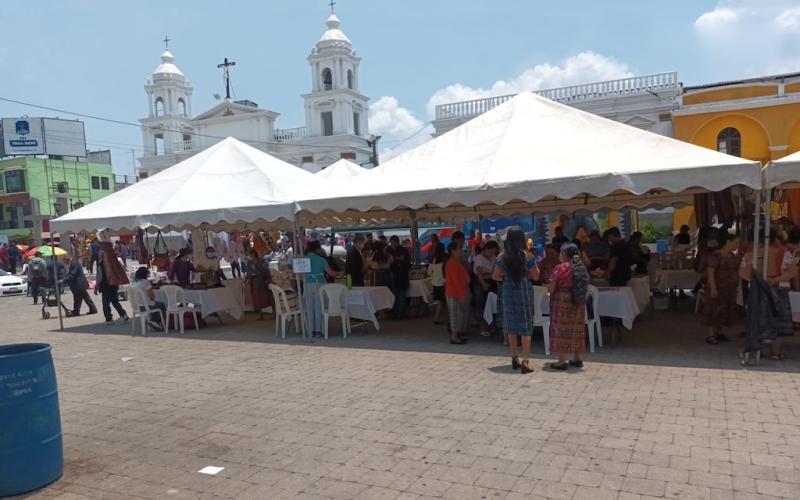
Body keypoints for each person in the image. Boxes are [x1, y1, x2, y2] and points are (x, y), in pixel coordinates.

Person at [491, 229, 540, 373]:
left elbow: (495, 276)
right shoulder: (528, 256)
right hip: (524, 290)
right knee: (525, 326)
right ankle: (526, 360)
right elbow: (536, 276)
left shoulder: (501, 257)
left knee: (510, 324)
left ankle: (514, 358)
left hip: (507, 291)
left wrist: (506, 279)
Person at [547, 243, 590, 370]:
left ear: (564, 254)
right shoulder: (581, 268)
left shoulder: (560, 268)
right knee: (576, 329)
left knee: (561, 329)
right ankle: (577, 358)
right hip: (578, 301)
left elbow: (552, 287)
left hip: (562, 301)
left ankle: (561, 361)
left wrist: (549, 291)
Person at [705, 232, 742, 344]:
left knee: (725, 310)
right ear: (728, 242)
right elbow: (710, 272)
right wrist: (713, 288)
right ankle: (711, 334)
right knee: (714, 309)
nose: (737, 246)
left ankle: (719, 332)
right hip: (718, 286)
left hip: (729, 288)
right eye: (736, 243)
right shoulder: (716, 255)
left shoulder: (733, 256)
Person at [305, 241, 341, 338]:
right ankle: (318, 331)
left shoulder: (304, 259)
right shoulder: (321, 260)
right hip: (319, 285)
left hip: (307, 285)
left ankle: (311, 330)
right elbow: (331, 273)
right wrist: (340, 273)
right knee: (319, 307)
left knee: (310, 308)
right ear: (317, 249)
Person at [445, 242, 471, 344]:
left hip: (456, 291)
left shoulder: (455, 262)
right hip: (454, 292)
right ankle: (454, 336)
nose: (461, 252)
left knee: (457, 314)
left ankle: (456, 335)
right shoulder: (452, 263)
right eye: (459, 250)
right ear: (453, 251)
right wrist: (462, 295)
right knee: (455, 314)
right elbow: (456, 281)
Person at [95, 248, 129, 325]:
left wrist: (96, 287)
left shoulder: (101, 265)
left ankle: (109, 318)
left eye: (100, 255)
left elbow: (99, 277)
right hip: (113, 285)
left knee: (106, 304)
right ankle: (124, 315)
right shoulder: (112, 263)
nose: (99, 256)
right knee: (115, 302)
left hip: (105, 286)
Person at [473, 240, 499, 336]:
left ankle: (492, 325)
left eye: (494, 252)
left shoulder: (493, 258)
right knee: (480, 302)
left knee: (491, 303)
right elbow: (479, 273)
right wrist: (483, 284)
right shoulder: (479, 258)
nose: (492, 254)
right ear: (486, 249)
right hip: (480, 282)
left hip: (491, 281)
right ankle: (482, 326)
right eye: (491, 251)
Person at [245, 249, 273, 321]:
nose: (248, 256)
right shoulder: (249, 263)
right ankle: (261, 315)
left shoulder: (261, 260)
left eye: (249, 254)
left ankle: (274, 313)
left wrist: (256, 265)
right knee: (257, 298)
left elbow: (266, 269)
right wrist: (246, 279)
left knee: (268, 296)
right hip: (254, 281)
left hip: (263, 281)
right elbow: (248, 272)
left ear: (253, 254)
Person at [387, 235, 411, 319]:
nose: (392, 245)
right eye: (391, 243)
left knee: (400, 296)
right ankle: (397, 313)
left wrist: (398, 261)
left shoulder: (403, 250)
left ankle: (399, 314)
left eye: (393, 243)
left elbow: (408, 264)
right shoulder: (389, 250)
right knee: (396, 296)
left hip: (401, 276)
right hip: (396, 276)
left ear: (397, 242)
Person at [427, 238, 447, 325]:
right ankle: (442, 317)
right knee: (444, 301)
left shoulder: (433, 260)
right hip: (444, 283)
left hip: (435, 283)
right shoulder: (446, 259)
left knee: (440, 301)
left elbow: (428, 272)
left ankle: (439, 317)